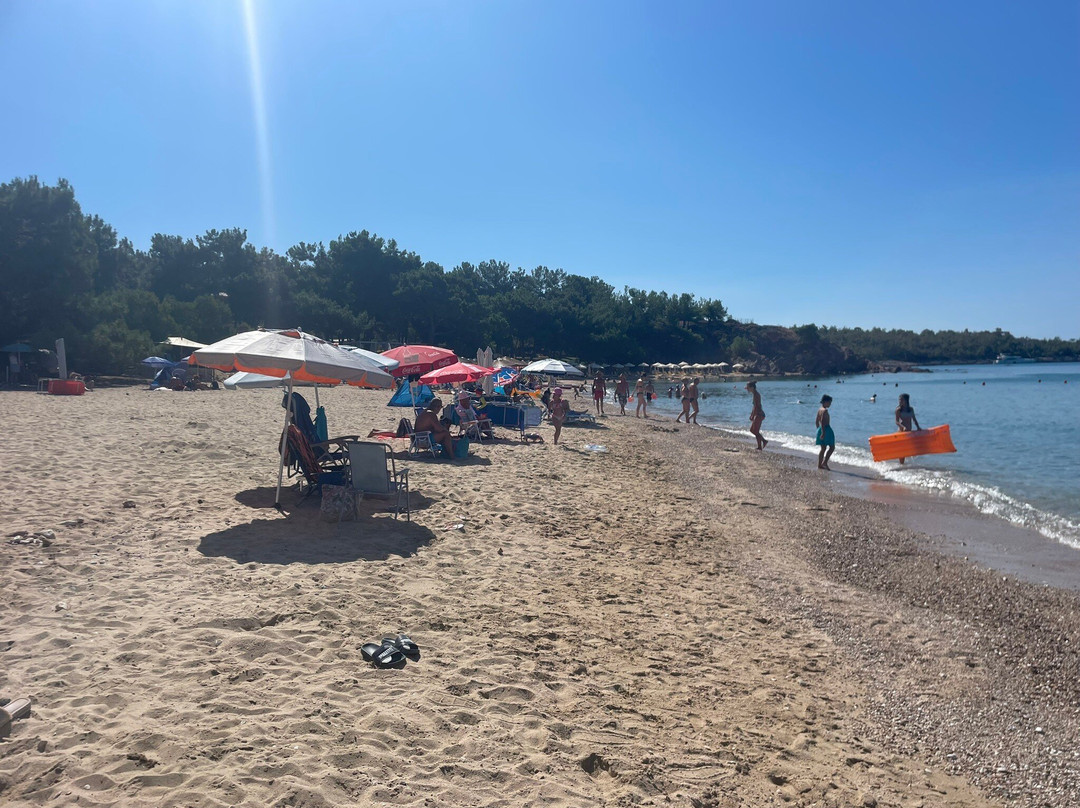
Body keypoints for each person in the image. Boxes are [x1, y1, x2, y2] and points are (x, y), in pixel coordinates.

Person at [894, 393, 921, 465]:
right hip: (902, 432)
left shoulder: (911, 409)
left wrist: (918, 427)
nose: (900, 401)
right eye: (899, 400)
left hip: (909, 432)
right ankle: (901, 465)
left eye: (901, 400)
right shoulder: (898, 410)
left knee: (911, 449)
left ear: (906, 400)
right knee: (902, 451)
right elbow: (896, 421)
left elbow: (914, 419)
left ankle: (906, 466)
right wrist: (902, 427)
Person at [746, 381, 767, 450]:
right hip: (757, 414)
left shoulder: (756, 395)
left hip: (759, 415)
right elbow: (754, 406)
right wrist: (752, 414)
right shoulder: (754, 394)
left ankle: (762, 444)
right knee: (752, 430)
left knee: (755, 431)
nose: (747, 389)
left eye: (748, 388)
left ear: (752, 388)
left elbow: (756, 407)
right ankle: (762, 443)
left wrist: (753, 416)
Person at [815, 395, 835, 471]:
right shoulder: (825, 411)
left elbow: (817, 421)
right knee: (832, 447)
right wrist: (823, 432)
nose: (830, 404)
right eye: (829, 402)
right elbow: (823, 422)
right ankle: (825, 462)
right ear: (826, 402)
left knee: (823, 448)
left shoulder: (819, 409)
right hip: (826, 429)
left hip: (821, 429)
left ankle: (820, 464)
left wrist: (818, 430)